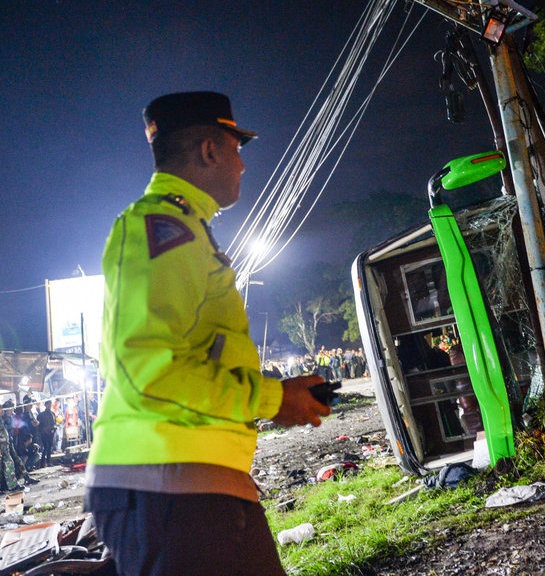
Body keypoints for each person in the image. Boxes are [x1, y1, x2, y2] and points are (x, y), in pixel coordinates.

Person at [85, 91, 331, 576]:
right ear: (209, 151)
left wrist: (278, 398)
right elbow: (148, 369)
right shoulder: (159, 227)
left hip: (196, 485)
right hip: (167, 486)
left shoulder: (186, 229)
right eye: (236, 149)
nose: (242, 165)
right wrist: (270, 399)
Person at [37, 400, 57, 468]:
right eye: (48, 404)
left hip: (51, 433)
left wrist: (53, 429)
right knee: (46, 447)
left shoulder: (53, 414)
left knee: (49, 447)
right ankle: (43, 462)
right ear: (45, 405)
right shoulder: (41, 415)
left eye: (50, 405)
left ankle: (48, 461)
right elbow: (39, 425)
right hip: (44, 433)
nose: (49, 406)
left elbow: (54, 423)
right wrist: (43, 430)